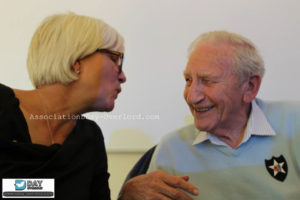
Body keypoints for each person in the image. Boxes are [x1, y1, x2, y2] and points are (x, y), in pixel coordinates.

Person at [0, 12, 199, 200]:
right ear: (75, 61)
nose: (123, 76)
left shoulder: (90, 138)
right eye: (115, 59)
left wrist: (127, 195)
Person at [146, 31, 300, 199]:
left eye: (208, 81)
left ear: (250, 87)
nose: (192, 97)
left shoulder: (295, 123)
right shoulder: (171, 150)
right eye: (188, 80)